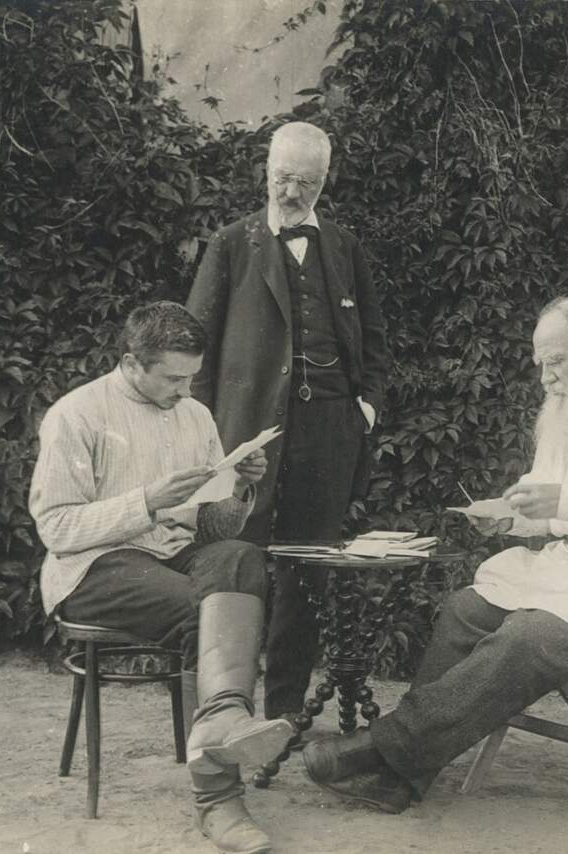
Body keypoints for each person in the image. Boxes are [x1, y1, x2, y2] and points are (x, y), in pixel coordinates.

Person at [300, 296, 568, 813]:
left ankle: (385, 749)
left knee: (526, 637)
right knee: (465, 609)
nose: (545, 377)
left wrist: (565, 502)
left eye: (556, 361)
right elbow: (552, 502)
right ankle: (403, 775)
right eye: (540, 363)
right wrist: (512, 517)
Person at [30, 302, 293, 854]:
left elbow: (212, 529)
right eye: (173, 378)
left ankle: (221, 720)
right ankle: (218, 801)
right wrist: (147, 502)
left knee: (240, 557)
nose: (185, 390)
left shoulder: (194, 416)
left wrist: (240, 488)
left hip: (170, 558)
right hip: (93, 568)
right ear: (132, 363)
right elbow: (56, 527)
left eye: (191, 377)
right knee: (208, 610)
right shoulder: (75, 415)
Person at [186, 121, 390, 724]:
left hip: (329, 434)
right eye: (282, 179)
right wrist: (205, 436)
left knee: (308, 573)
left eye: (306, 182)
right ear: (265, 173)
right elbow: (195, 347)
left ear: (325, 181)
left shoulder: (344, 247)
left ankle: (281, 714)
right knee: (236, 565)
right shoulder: (232, 243)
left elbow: (374, 339)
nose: (292, 193)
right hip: (246, 435)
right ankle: (225, 711)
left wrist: (364, 407)